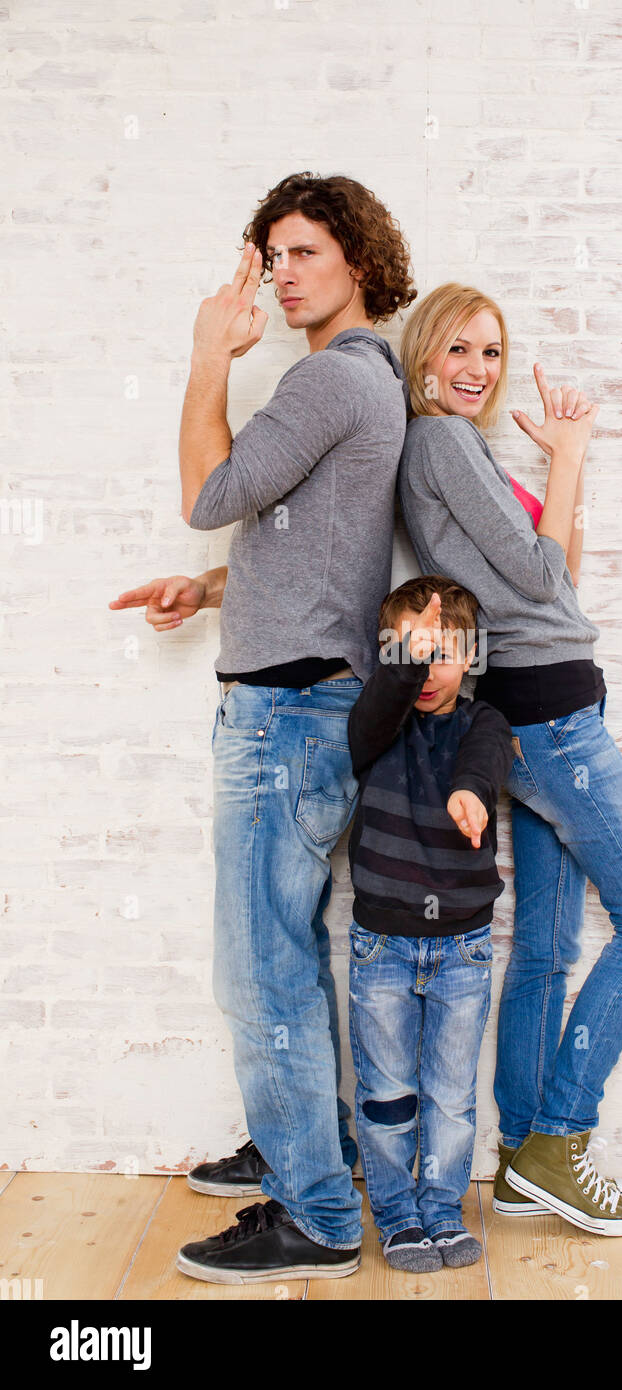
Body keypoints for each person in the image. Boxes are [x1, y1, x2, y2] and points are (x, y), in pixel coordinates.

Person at [109, 172, 415, 1283]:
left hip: (285, 716)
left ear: (360, 266)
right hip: (304, 698)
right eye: (270, 255)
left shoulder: (329, 380)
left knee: (260, 971)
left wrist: (206, 355)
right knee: (288, 950)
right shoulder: (364, 378)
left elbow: (210, 488)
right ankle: (309, 1145)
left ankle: (319, 1216)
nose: (281, 275)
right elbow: (319, 550)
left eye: (303, 254)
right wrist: (215, 587)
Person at [396, 283, 622, 1237]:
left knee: (550, 951)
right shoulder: (441, 440)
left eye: (491, 352)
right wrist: (569, 458)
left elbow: (549, 578)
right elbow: (540, 577)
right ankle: (561, 1139)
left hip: (526, 711)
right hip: (554, 719)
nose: (477, 370)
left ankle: (523, 1156)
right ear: (423, 358)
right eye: (458, 350)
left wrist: (554, 498)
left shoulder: (454, 448)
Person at [345, 579, 514, 1271]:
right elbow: (369, 722)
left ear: (470, 656)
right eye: (410, 651)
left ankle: (442, 1210)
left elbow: (485, 761)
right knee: (386, 1093)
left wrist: (471, 794)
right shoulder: (380, 719)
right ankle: (396, 1213)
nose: (426, 669)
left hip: (463, 948)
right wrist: (404, 660)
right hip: (381, 943)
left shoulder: (483, 722)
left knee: (450, 1097)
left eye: (441, 653)